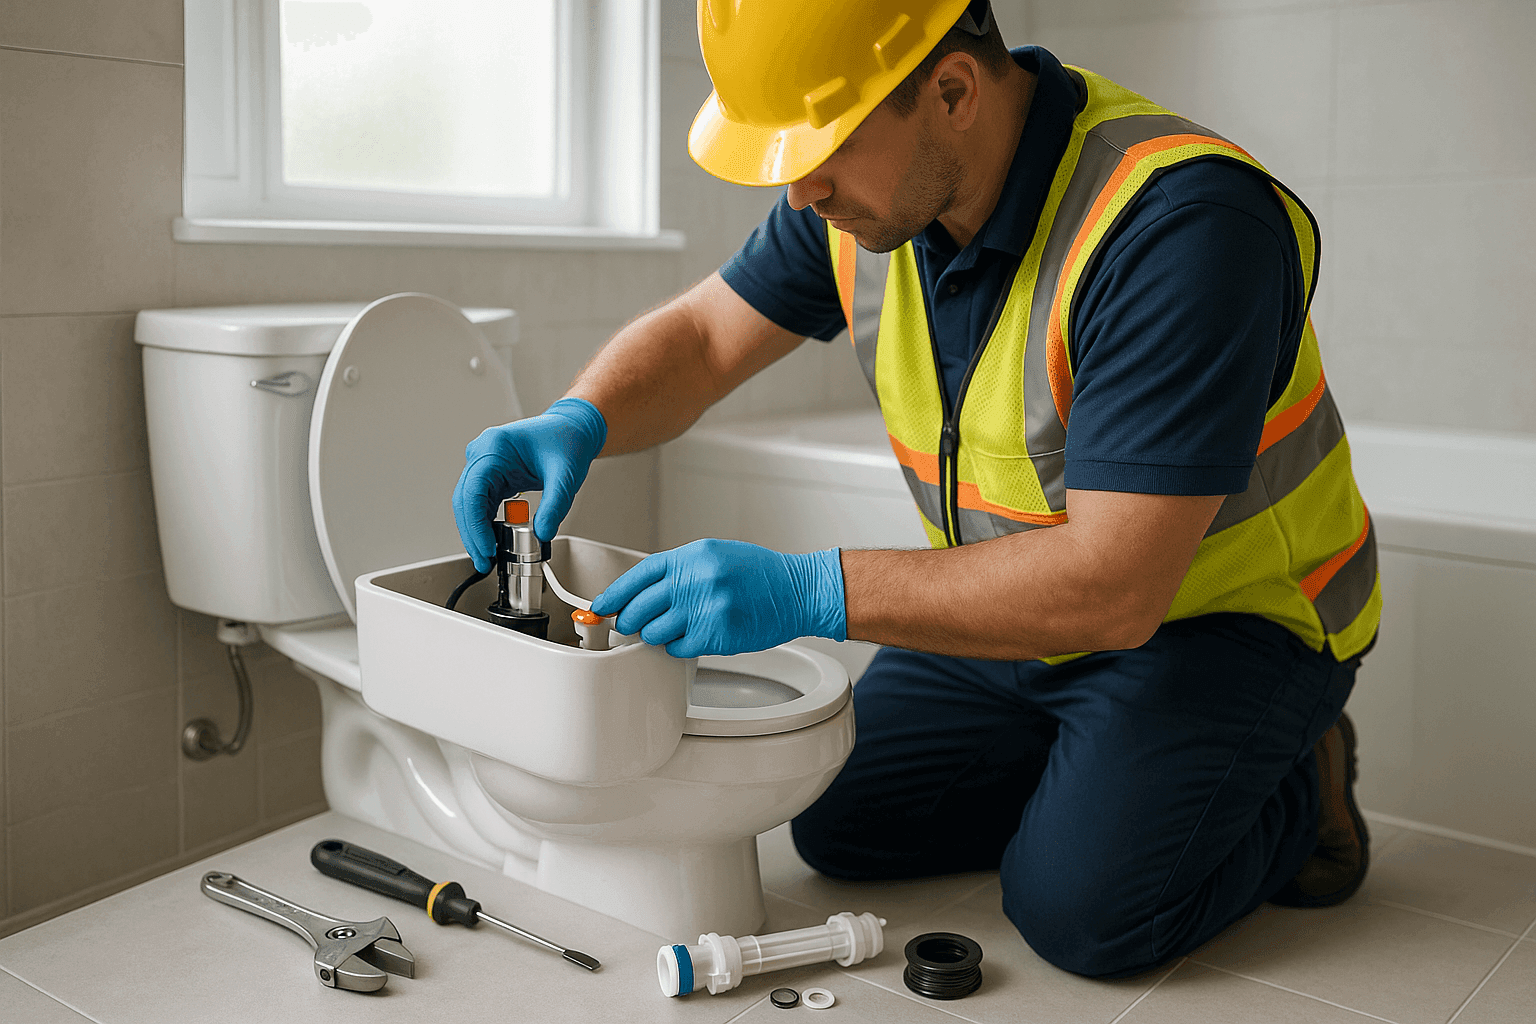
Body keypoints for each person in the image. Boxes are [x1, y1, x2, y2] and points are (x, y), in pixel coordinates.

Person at [451, 0, 1380, 978]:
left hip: (1225, 624)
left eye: (823, 150)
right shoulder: (873, 199)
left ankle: (1299, 787)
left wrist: (809, 590)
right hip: (1018, 603)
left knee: (1082, 913)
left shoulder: (1181, 226)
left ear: (952, 90)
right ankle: (1101, 771)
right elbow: (705, 338)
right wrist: (579, 417)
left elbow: (1115, 587)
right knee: (841, 822)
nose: (801, 191)